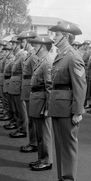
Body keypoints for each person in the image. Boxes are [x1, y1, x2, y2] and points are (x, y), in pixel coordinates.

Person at [47, 22, 86, 181]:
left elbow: (80, 86)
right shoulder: (61, 55)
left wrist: (77, 112)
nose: (54, 37)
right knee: (59, 144)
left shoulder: (73, 56)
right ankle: (63, 178)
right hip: (58, 106)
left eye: (57, 35)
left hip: (68, 107)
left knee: (68, 145)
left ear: (66, 37)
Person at [28, 35, 54, 171]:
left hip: (42, 100)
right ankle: (41, 158)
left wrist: (48, 107)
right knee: (40, 133)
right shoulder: (41, 61)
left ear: (43, 47)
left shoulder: (47, 62)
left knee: (44, 133)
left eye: (36, 45)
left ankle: (46, 160)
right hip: (37, 99)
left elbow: (50, 87)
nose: (34, 47)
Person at [20, 32, 40, 153]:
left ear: (29, 41)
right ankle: (33, 141)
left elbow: (35, 74)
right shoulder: (29, 55)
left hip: (31, 89)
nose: (22, 44)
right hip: (27, 88)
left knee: (32, 118)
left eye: (23, 41)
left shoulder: (33, 56)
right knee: (30, 117)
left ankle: (34, 143)